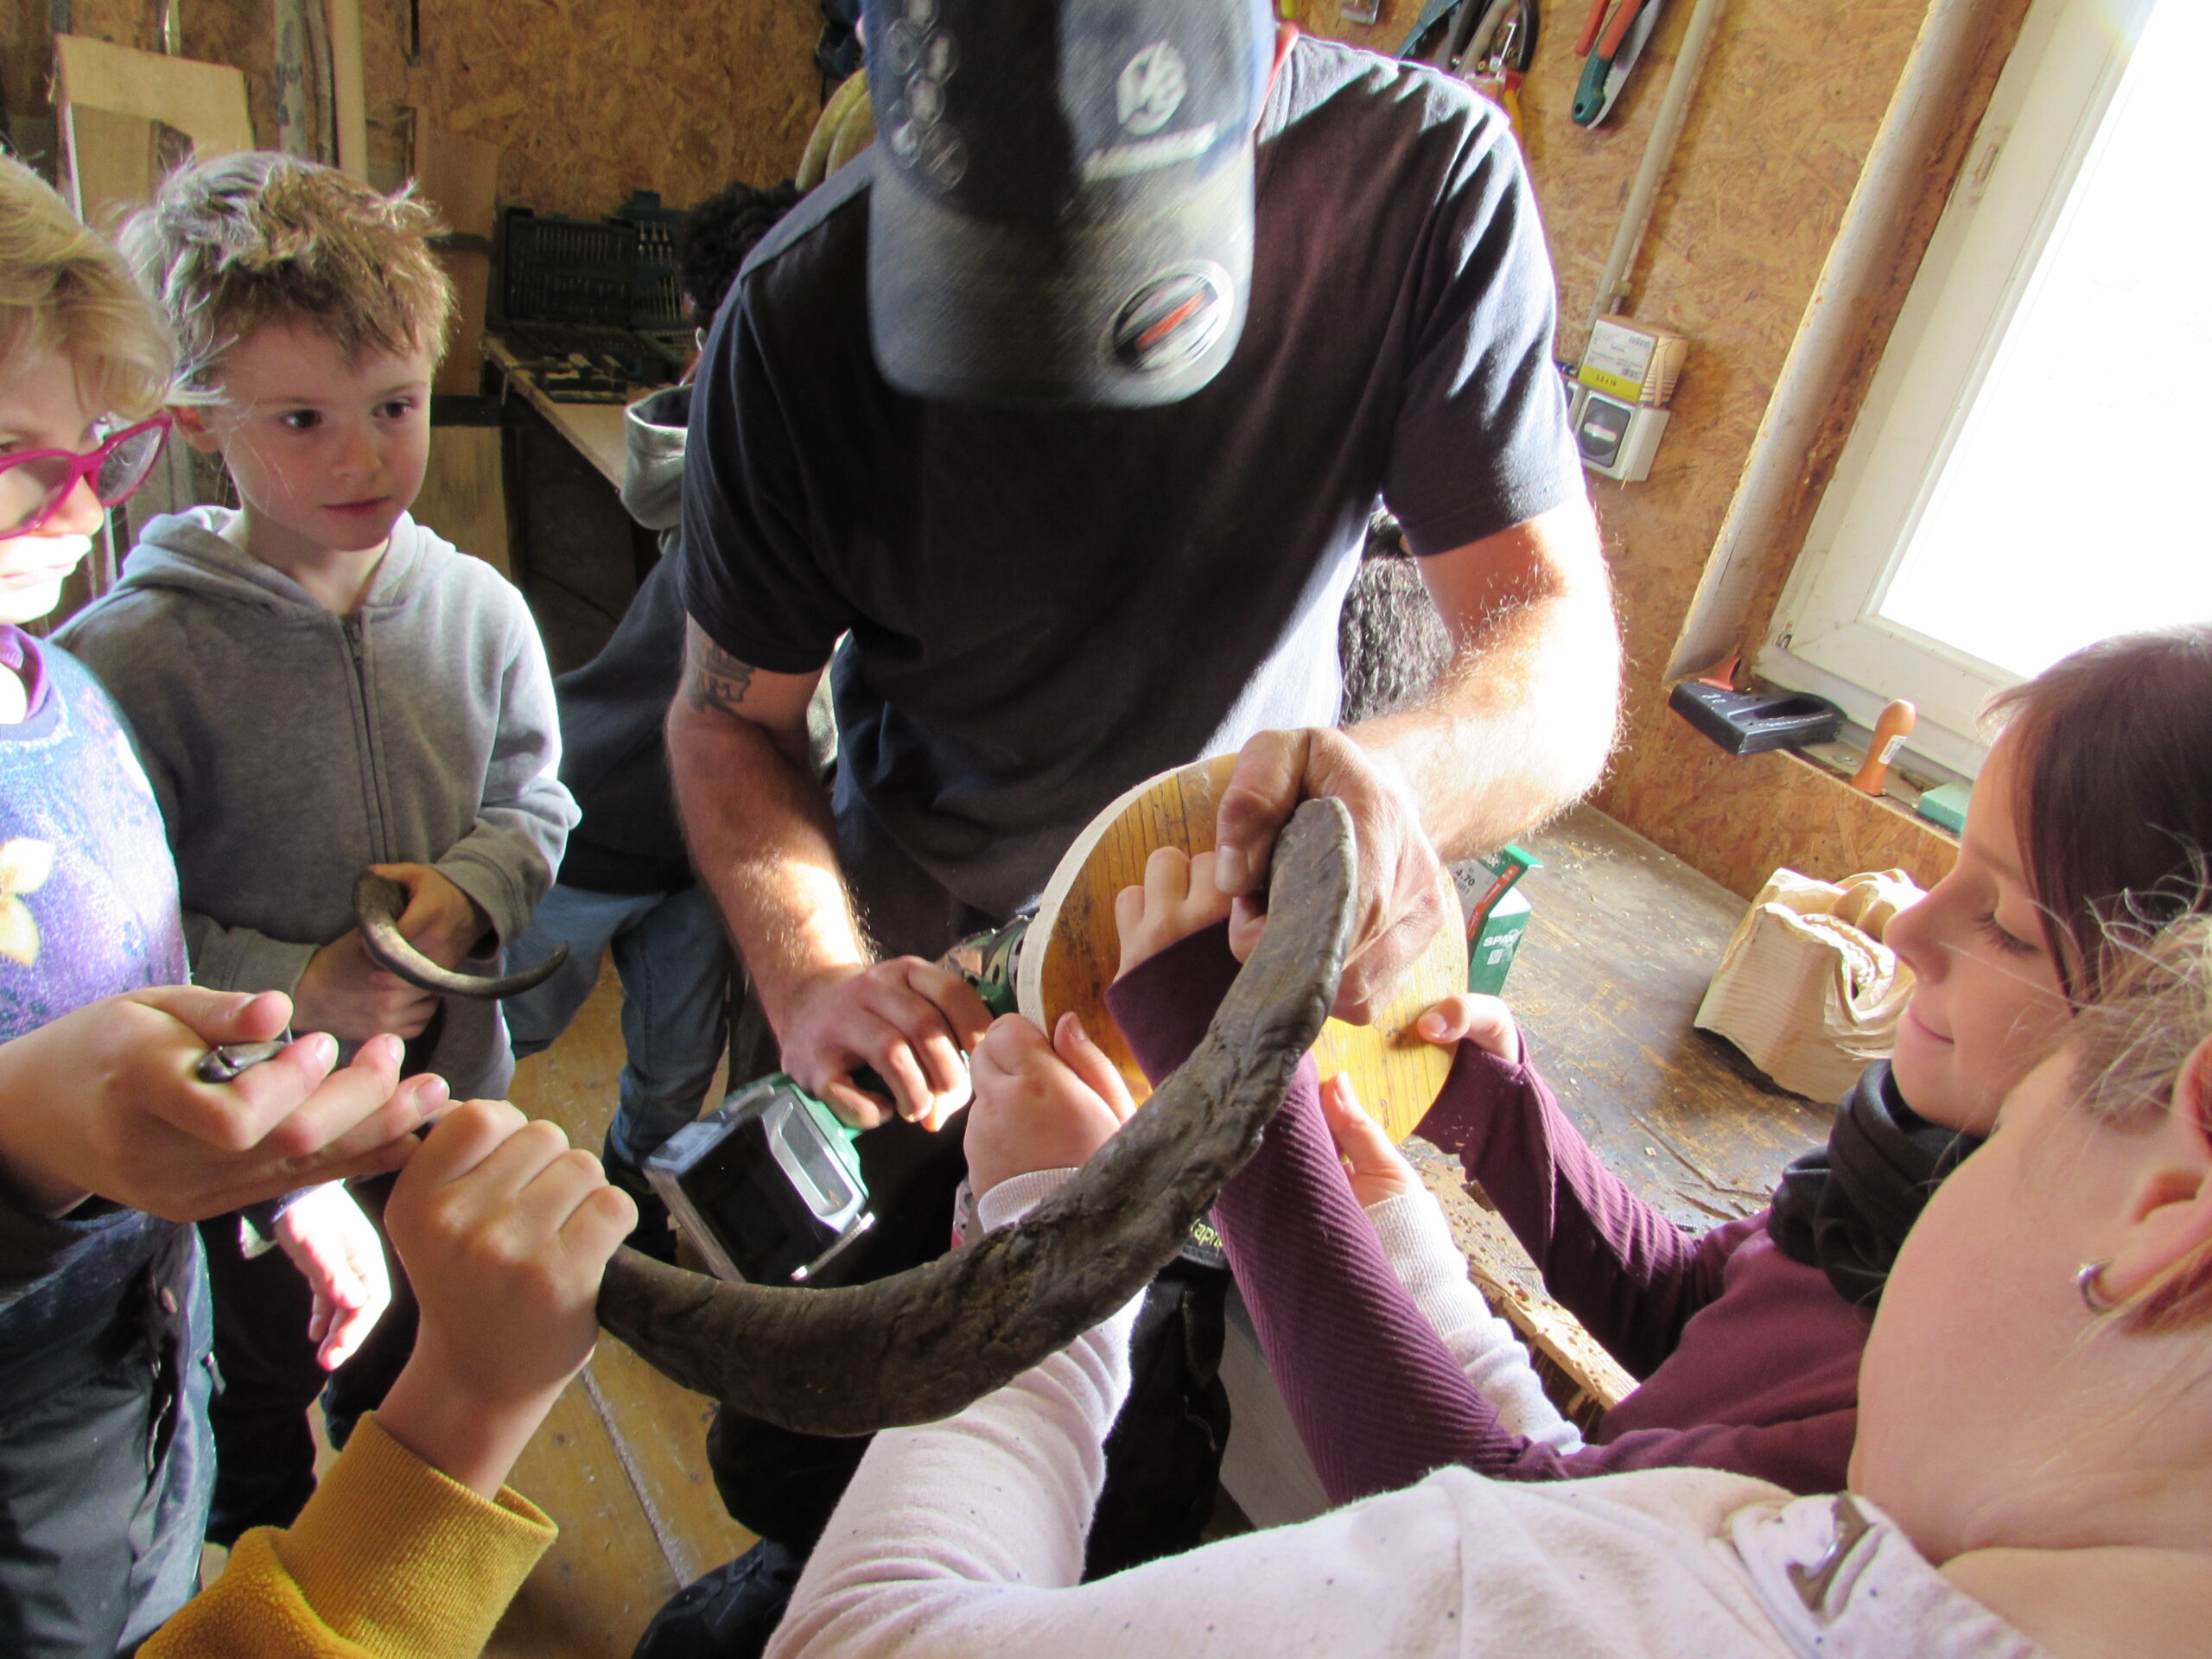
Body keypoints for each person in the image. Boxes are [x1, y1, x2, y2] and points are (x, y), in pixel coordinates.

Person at [662, 0, 1618, 1616]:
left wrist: (1390, 787)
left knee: (1117, 1472)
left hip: (1205, 991)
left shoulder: (1417, 181)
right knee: (810, 1439)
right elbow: (722, 719)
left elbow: (1555, 656)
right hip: (927, 1000)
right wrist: (813, 973)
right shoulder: (798, 315)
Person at [762, 903, 2212, 1659]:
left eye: (2017, 1142)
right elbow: (1597, 1485)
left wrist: (1055, 1238)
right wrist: (1421, 1217)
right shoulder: (1878, 1488)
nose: (1908, 923)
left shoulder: (1705, 1574)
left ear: (2172, 1217)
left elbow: (861, 1643)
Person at [1097, 622, 2212, 1503]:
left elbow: (1513, 1557)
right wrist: (1502, 1111)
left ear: (2167, 1062)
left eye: (2007, 927)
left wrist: (1236, 1107)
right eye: (1952, 868)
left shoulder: (1962, 1400)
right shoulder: (1907, 1172)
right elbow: (1688, 1309)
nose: (1910, 931)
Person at [59, 151, 575, 1542]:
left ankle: (391, 1562)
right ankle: (260, 1575)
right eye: (303, 418)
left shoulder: (483, 615)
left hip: (442, 1107)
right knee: (252, 1395)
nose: (365, 457)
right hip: (238, 1141)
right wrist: (302, 985)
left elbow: (536, 803)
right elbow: (110, 932)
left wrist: (470, 894)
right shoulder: (130, 661)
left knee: (417, 1370)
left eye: (395, 406)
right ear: (197, 420)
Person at [0, 151, 443, 1656]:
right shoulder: (133, 655)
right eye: (14, 455)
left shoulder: (63, 705)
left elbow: (148, 1000)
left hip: (136, 1383)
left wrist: (278, 1178)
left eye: (96, 452)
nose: (75, 504)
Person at [503, 180, 809, 1261]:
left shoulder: (837, 468)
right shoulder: (736, 456)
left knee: (674, 1074)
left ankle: (625, 1237)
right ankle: (413, 1213)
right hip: (595, 816)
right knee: (503, 1026)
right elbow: (654, 482)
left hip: (703, 851)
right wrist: (717, 376)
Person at [140, 1099, 635, 1659]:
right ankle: (268, 1522)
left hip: (140, 1446)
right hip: (111, 1524)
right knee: (255, 1397)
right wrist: (471, 1395)